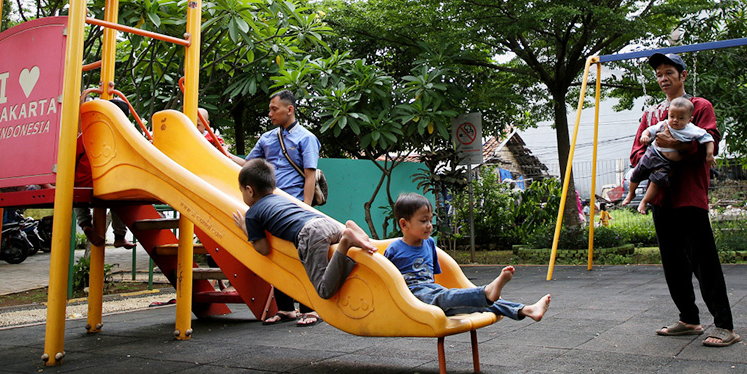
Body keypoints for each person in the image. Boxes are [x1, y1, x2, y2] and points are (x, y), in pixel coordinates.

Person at [630, 52, 739, 347]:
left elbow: (708, 140)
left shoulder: (699, 107)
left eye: (669, 73)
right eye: (659, 75)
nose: (664, 79)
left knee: (704, 260)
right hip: (661, 198)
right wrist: (658, 153)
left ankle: (724, 325)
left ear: (683, 75)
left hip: (689, 196)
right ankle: (689, 319)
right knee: (672, 262)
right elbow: (636, 154)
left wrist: (673, 147)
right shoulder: (652, 115)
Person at [232, 159, 376, 325]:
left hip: (310, 235)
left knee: (324, 290)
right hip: (326, 224)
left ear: (249, 191)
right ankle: (347, 229)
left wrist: (245, 228)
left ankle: (346, 241)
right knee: (328, 242)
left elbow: (263, 248)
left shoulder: (252, 213)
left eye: (241, 191)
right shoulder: (282, 199)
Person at [227, 90, 322, 326]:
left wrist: (306, 208)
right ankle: (287, 308)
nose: (270, 113)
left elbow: (310, 175)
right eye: (270, 109)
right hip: (270, 205)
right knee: (277, 255)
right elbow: (248, 164)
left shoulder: (305, 138)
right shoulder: (267, 138)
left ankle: (311, 308)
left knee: (302, 256)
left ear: (289, 110)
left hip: (294, 205)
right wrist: (222, 153)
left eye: (274, 109)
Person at [384, 193, 550, 321]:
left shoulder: (429, 245)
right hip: (412, 297)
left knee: (475, 303)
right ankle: (486, 291)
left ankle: (526, 310)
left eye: (430, 220)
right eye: (423, 221)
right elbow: (385, 281)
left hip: (432, 292)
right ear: (404, 224)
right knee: (446, 296)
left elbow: (433, 278)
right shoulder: (394, 249)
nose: (429, 225)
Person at [623, 96, 715, 215]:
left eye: (680, 118)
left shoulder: (692, 130)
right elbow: (648, 130)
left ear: (689, 119)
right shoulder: (663, 123)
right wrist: (644, 136)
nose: (675, 120)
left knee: (656, 182)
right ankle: (631, 193)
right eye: (672, 116)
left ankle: (644, 201)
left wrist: (709, 154)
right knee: (637, 173)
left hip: (667, 163)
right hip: (653, 154)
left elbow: (709, 139)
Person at [74, 97, 135, 249]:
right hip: (107, 184)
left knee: (75, 196)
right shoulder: (122, 138)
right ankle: (120, 236)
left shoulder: (86, 135)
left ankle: (85, 224)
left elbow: (73, 158)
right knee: (121, 201)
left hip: (82, 184)